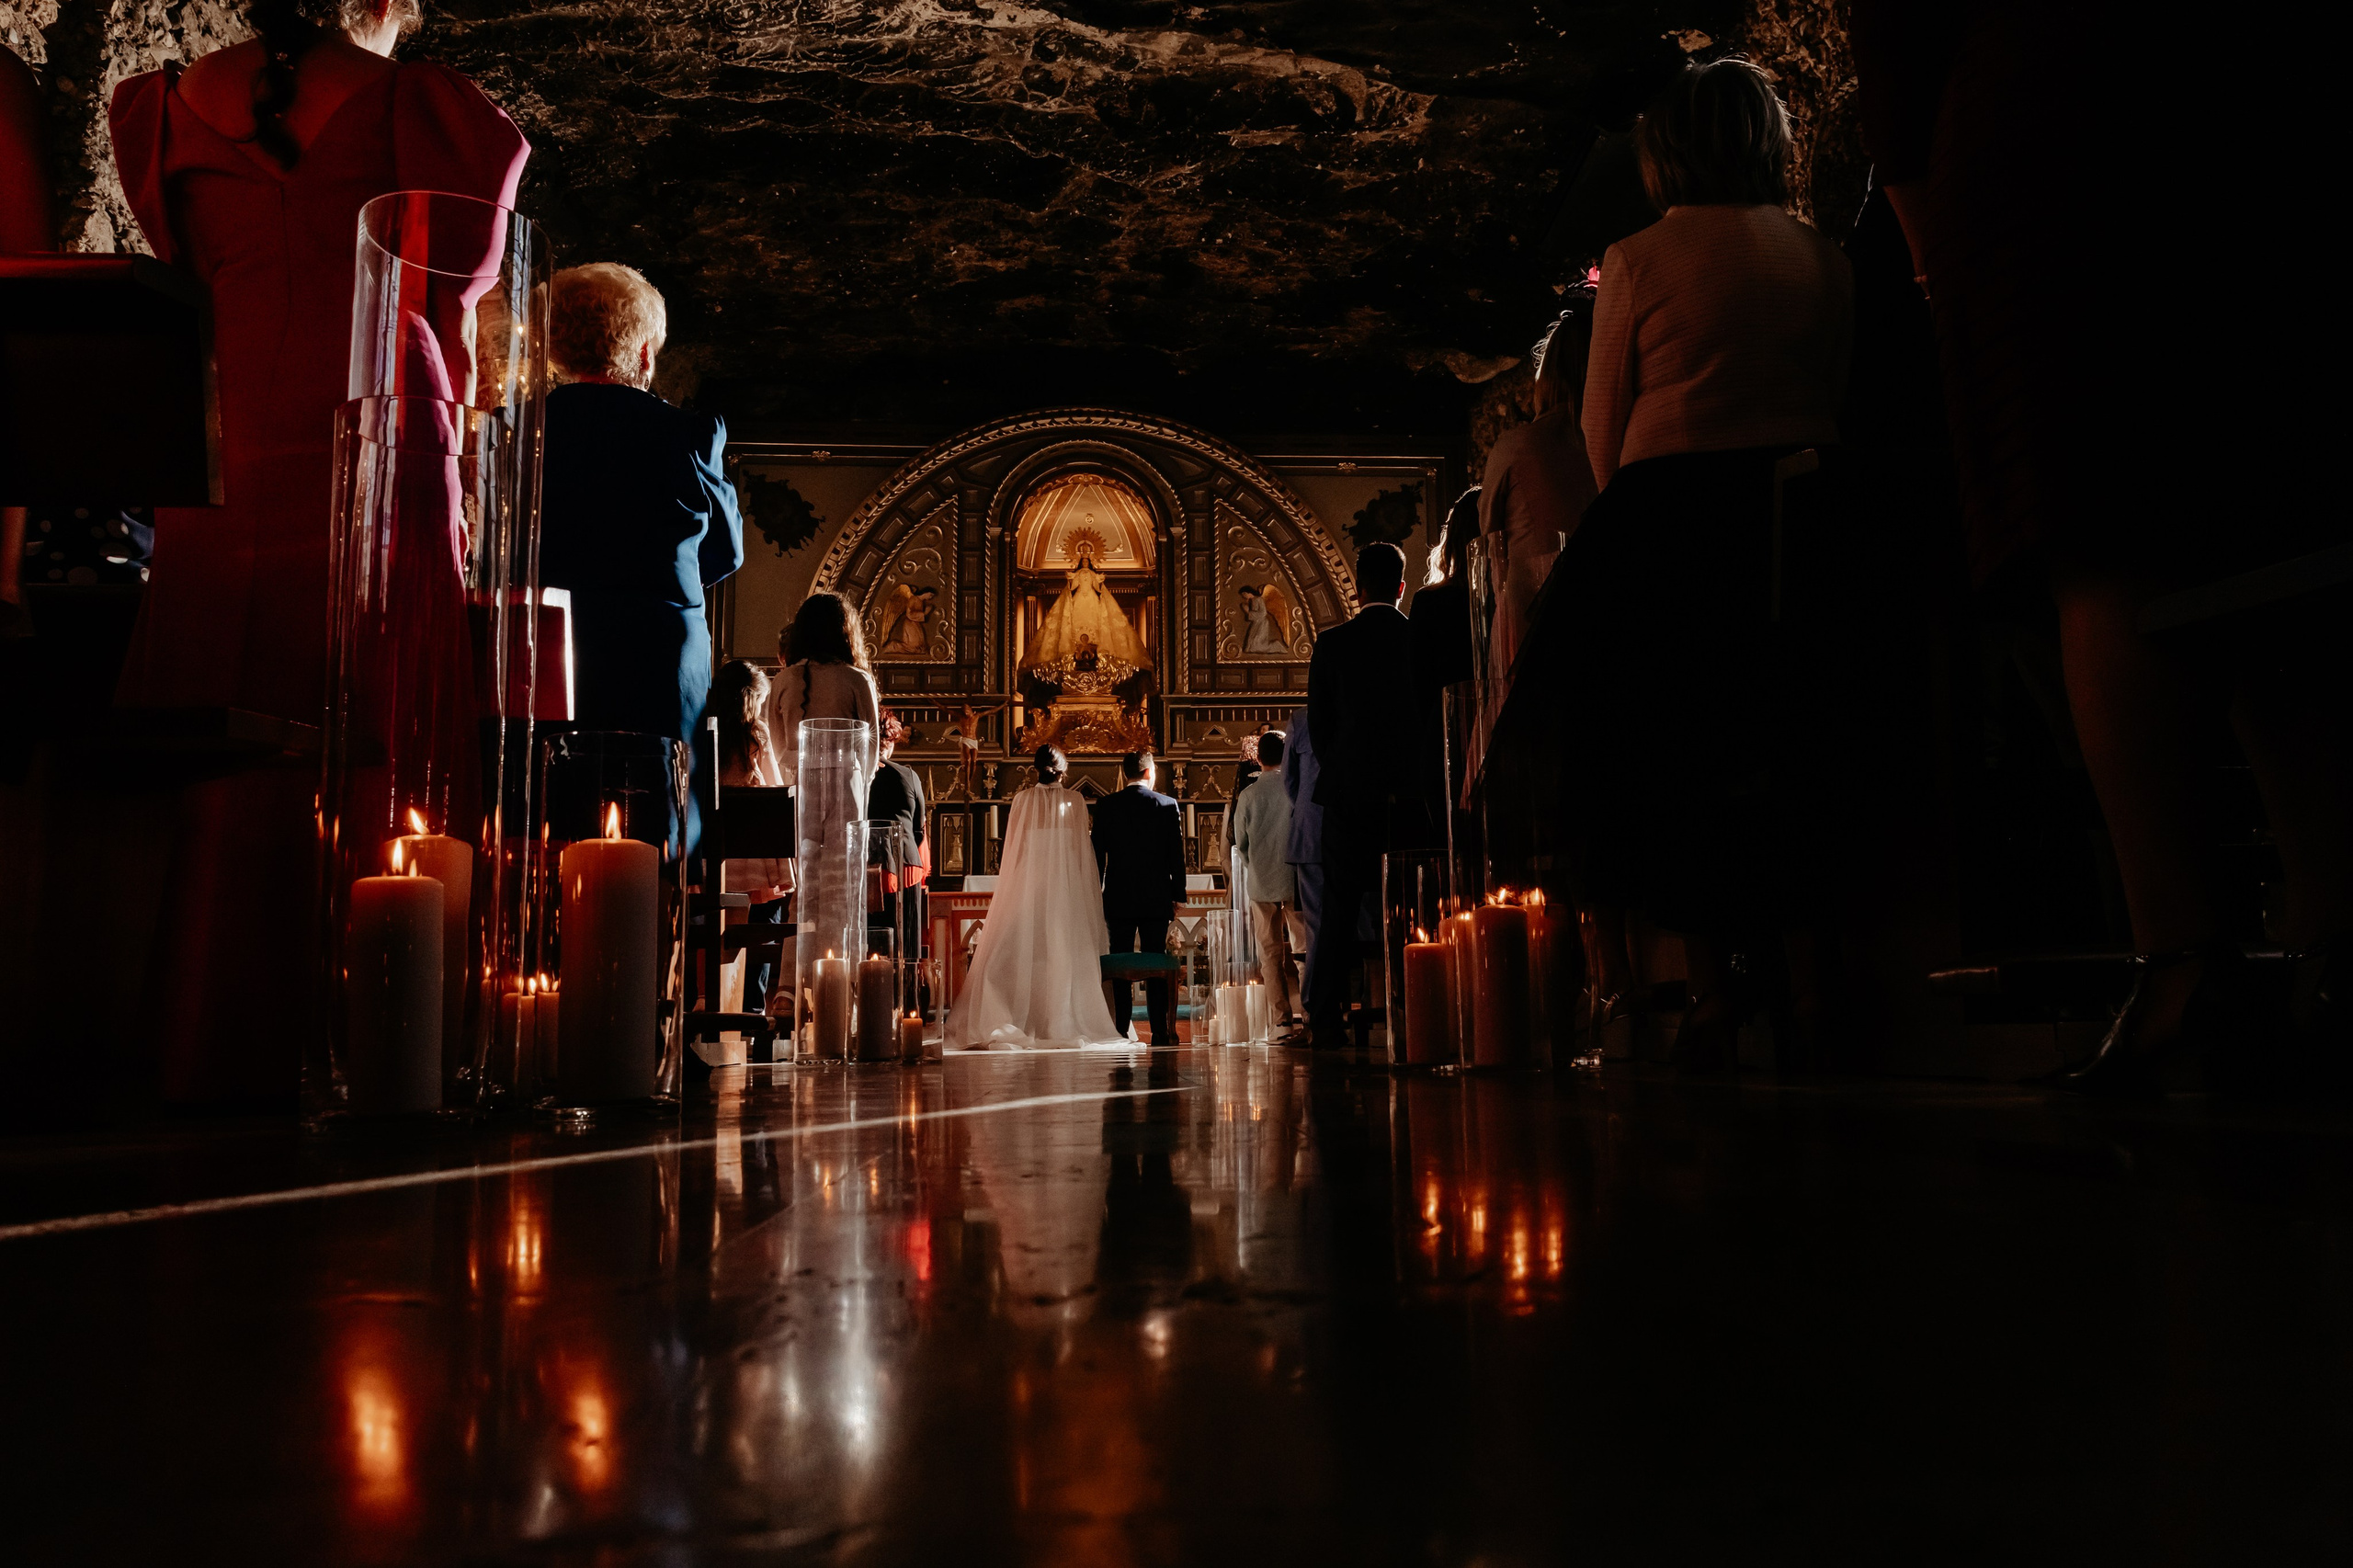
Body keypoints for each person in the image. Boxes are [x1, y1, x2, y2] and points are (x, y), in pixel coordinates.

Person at [1850, 3, 2347, 1095]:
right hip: (2263, 102)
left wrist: (1930, 245)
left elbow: (1895, 35)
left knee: (2100, 537)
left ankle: (2184, 958)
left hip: (2049, 137)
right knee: (2271, 521)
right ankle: (2330, 932)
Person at [104, 0, 527, 1103]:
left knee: (224, 696)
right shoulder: (424, 107)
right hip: (381, 412)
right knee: (378, 706)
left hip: (224, 426)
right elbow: (452, 291)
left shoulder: (164, 106)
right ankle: (383, 1027)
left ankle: (203, 1028)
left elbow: (182, 268)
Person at [1560, 57, 1852, 1069]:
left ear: (1665, 151)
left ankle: (1715, 991)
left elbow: (1601, 426)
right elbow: (1836, 387)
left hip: (1672, 518)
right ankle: (1812, 987)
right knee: (1795, 744)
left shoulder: (1638, 258)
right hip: (1801, 515)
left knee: (1674, 757)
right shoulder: (1822, 255)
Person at [541, 262, 744, 757]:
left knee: (551, 784)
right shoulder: (687, 432)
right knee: (660, 787)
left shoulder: (524, 429)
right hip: (659, 647)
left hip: (550, 641)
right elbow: (726, 549)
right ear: (645, 352)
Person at [1305, 542, 1427, 1048]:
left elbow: (1319, 728)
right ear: (1402, 586)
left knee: (1338, 907)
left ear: (1358, 588)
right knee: (1416, 905)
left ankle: (1326, 1018)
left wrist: (1346, 768)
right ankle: (1421, 1008)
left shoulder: (1332, 644)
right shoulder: (1419, 639)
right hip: (1409, 795)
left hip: (1349, 795)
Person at [945, 746, 1121, 1048]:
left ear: (1035, 768)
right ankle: (1059, 1017)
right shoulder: (1075, 801)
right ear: (1063, 770)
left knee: (1026, 948)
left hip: (1029, 882)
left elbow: (1014, 850)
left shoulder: (1022, 800)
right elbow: (1082, 852)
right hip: (1065, 885)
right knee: (1061, 948)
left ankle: (1020, 1014)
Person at [1483, 294, 1599, 681]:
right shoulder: (1613, 447)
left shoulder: (1515, 447)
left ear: (1546, 375)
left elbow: (1488, 539)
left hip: (1526, 612)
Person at [1093, 750, 1188, 1045]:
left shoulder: (1107, 805)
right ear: (1149, 772)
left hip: (1118, 898)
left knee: (1120, 963)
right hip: (1155, 899)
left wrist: (1095, 892)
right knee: (1156, 961)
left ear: (1126, 774)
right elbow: (1176, 855)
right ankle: (1160, 1030)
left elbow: (1096, 855)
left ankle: (1121, 1028)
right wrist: (1178, 895)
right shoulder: (1167, 804)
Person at [1231, 730, 1305, 1034]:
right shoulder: (1297, 789)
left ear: (1258, 758)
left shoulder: (1249, 795)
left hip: (1261, 883)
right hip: (1295, 880)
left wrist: (1256, 867)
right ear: (1288, 756)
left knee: (1270, 955)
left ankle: (1281, 1021)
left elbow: (1240, 844)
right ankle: (1311, 1015)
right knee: (1303, 952)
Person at [767, 591, 881, 787]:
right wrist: (862, 785)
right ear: (845, 631)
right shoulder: (858, 679)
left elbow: (778, 749)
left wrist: (806, 761)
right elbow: (871, 748)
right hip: (847, 781)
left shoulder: (783, 680)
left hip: (802, 782)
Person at [1281, 706, 1324, 1005]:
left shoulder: (1301, 719)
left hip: (1312, 832)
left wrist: (1308, 809)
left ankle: (1316, 1004)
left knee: (1317, 925)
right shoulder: (1362, 708)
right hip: (1356, 830)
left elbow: (1290, 780)